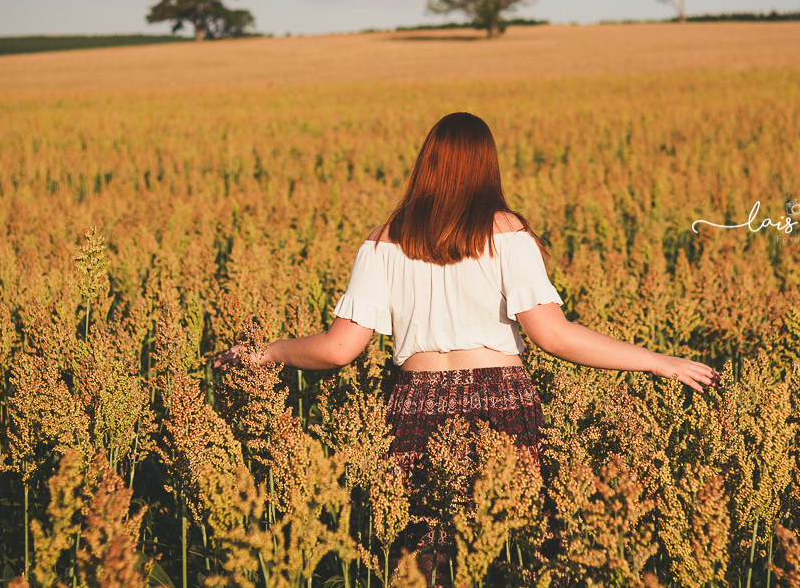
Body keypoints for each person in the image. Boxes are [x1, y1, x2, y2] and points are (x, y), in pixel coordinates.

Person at [214, 111, 720, 581]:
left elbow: (338, 349)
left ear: (426, 164)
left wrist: (265, 353)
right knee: (512, 552)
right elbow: (554, 336)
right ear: (487, 166)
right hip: (503, 401)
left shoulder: (382, 242)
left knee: (423, 561)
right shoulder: (508, 234)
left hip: (415, 404)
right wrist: (659, 362)